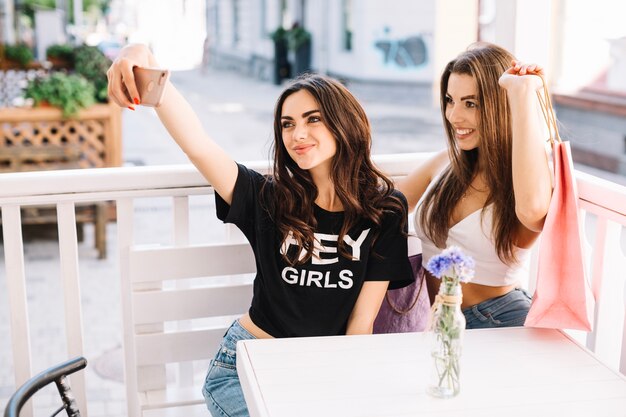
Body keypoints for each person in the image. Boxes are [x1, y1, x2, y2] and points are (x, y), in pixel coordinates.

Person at [107, 44, 414, 417]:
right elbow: (199, 146)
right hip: (244, 368)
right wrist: (141, 55)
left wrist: (343, 389)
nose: (297, 133)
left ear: (343, 122)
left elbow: (361, 322)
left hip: (320, 370)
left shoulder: (385, 211)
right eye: (287, 124)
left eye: (312, 119)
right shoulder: (269, 198)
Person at [396, 42, 552, 329]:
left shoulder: (525, 175)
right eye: (450, 100)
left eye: (471, 103)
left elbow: (532, 212)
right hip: (444, 323)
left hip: (503, 320)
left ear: (500, 105)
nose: (454, 116)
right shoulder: (445, 164)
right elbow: (383, 205)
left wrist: (523, 94)